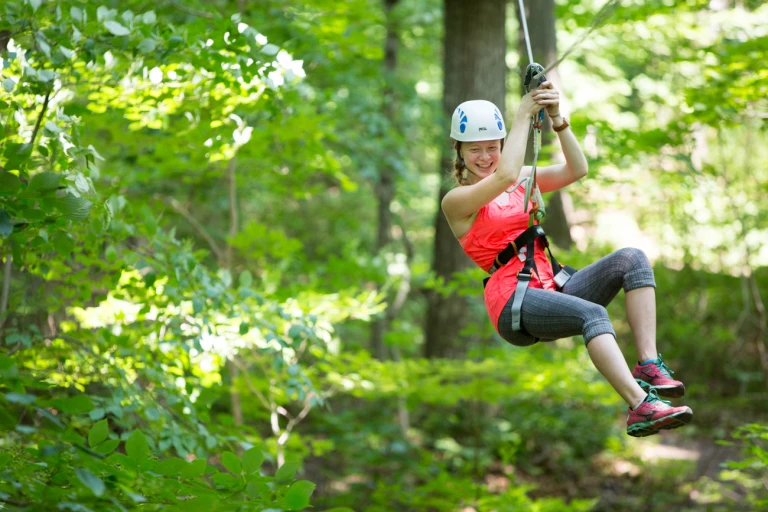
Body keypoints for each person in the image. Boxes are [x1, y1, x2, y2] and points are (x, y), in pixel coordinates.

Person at [440, 82, 692, 437]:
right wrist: (523, 113)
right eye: (475, 150)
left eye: (493, 148)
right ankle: (641, 406)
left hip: (552, 283)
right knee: (593, 313)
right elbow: (505, 175)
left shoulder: (522, 178)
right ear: (460, 152)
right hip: (513, 300)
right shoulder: (458, 200)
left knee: (632, 259)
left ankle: (649, 364)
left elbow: (577, 169)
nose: (485, 156)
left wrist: (558, 118)